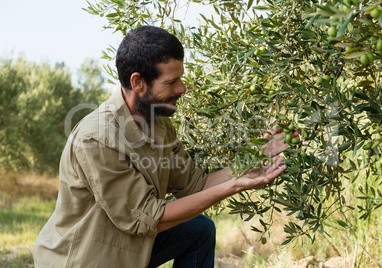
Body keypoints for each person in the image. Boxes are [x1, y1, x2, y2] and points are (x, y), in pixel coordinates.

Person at [33, 26, 298, 268]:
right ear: (138, 82)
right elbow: (148, 219)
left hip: (129, 248)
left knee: (199, 230)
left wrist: (254, 158)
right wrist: (234, 186)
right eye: (171, 82)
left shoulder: (158, 123)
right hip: (85, 260)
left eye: (180, 79)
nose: (182, 89)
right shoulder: (97, 138)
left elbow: (195, 185)